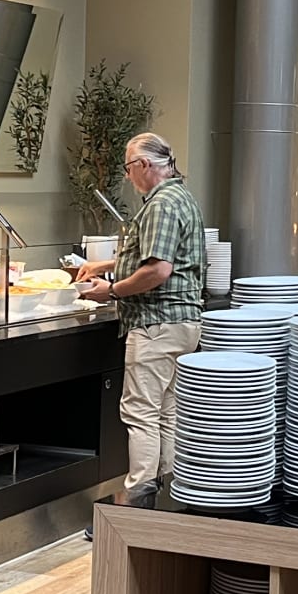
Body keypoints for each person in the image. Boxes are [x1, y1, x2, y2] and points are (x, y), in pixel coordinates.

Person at [77, 132, 206, 515]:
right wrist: (105, 265)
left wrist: (112, 290)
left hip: (156, 324)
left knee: (141, 414)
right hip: (183, 324)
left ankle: (136, 506)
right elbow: (156, 256)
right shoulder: (181, 197)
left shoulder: (161, 204)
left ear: (145, 165)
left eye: (128, 167)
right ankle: (165, 500)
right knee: (166, 412)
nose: (127, 175)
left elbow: (158, 270)